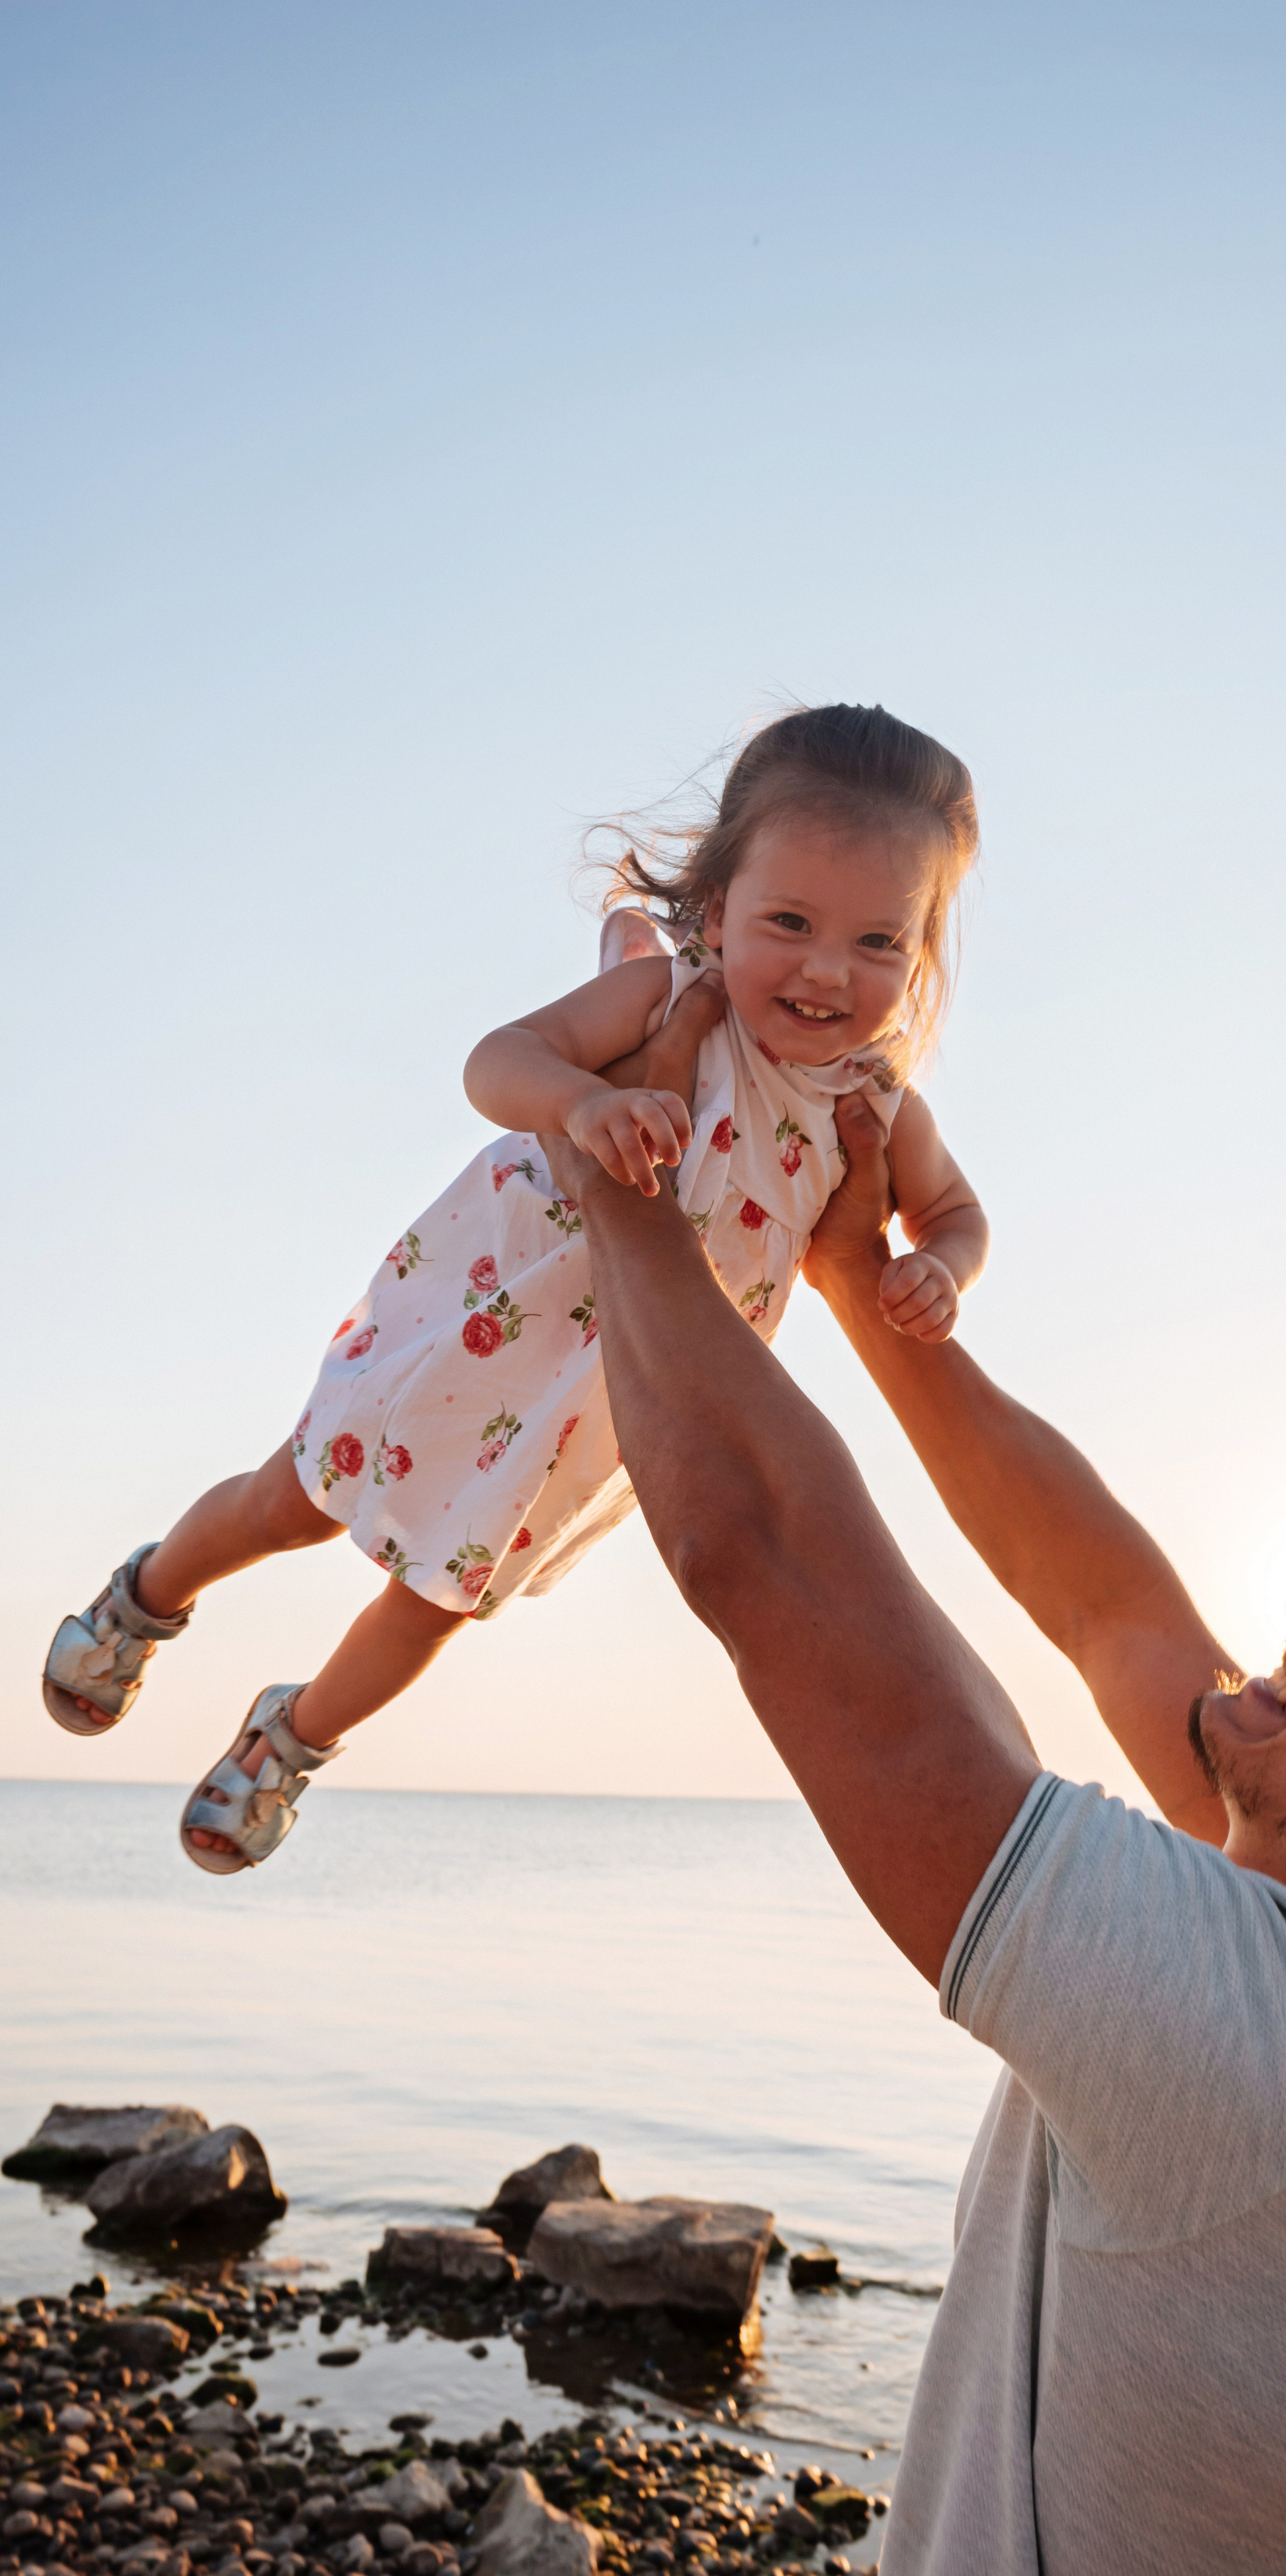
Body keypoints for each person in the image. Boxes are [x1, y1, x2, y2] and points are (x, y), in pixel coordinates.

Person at [532, 1092, 1286, 2576]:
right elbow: (1110, 1611)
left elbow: (761, 1558)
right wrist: (857, 1282)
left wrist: (612, 1174)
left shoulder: (1284, 2085)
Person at [41, 704, 988, 1876]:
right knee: (292, 1497)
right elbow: (499, 1060)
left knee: (439, 1596)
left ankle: (291, 1738)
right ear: (716, 906)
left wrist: (938, 1266)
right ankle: (146, 1595)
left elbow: (954, 1213)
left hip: (597, 1401)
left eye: (880, 943)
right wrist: (581, 1102)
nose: (827, 970)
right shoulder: (658, 1000)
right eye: (789, 921)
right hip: (485, 1310)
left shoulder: (879, 1106)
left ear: (923, 948)